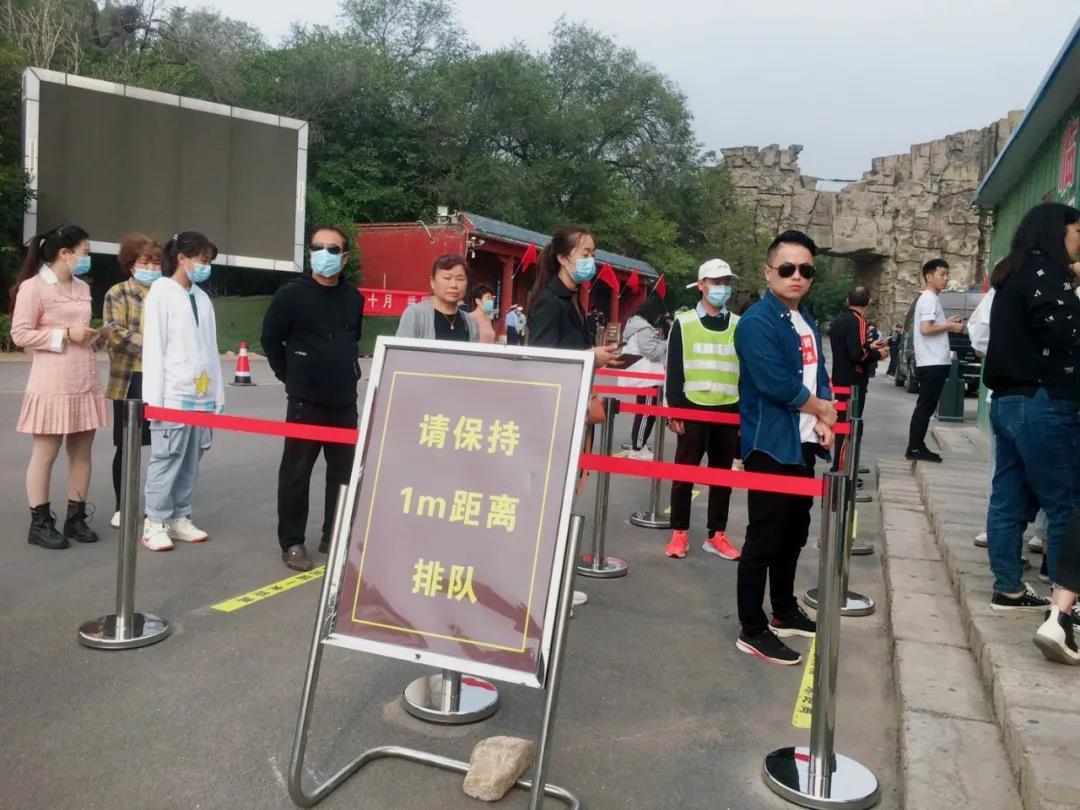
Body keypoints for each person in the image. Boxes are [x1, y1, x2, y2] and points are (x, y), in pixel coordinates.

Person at [734, 230, 837, 665]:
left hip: (802, 443)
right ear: (768, 272)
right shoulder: (757, 322)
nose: (797, 276)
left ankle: (783, 609)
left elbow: (819, 372)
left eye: (806, 270)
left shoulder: (804, 319)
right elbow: (774, 382)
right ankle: (752, 627)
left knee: (794, 530)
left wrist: (823, 418)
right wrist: (822, 408)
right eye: (787, 268)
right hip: (770, 444)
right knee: (764, 535)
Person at [984, 202, 1080, 626]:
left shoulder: (1011, 273)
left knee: (1009, 498)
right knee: (1067, 506)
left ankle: (1008, 587)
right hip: (1045, 401)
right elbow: (1062, 331)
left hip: (1007, 401)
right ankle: (1065, 603)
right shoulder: (1048, 274)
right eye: (1078, 233)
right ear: (1057, 232)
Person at [527, 226, 623, 612]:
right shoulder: (550, 303)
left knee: (562, 499)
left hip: (571, 408)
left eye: (593, 253)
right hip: (553, 414)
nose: (591, 260)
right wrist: (589, 356)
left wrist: (596, 357)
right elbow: (541, 360)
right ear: (563, 258)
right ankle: (543, 590)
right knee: (548, 502)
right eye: (585, 253)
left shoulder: (571, 300)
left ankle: (553, 585)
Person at [262, 226, 365, 572]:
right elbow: (270, 339)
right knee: (296, 474)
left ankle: (334, 536)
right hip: (305, 400)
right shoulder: (291, 295)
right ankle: (292, 542)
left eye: (333, 249)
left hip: (344, 401)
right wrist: (289, 375)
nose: (325, 254)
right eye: (318, 247)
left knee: (343, 474)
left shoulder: (353, 299)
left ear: (344, 258)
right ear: (309, 254)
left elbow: (353, 339)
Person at [10, 225, 108, 550]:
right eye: (85, 252)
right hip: (52, 381)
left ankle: (75, 517)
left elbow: (81, 330)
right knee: (46, 453)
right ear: (65, 254)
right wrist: (65, 334)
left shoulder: (82, 286)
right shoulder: (33, 287)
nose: (88, 258)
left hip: (84, 378)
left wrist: (96, 337)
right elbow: (20, 334)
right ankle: (40, 523)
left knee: (82, 452)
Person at [140, 232, 224, 552]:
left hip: (201, 394)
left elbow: (211, 348)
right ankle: (155, 521)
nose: (206, 266)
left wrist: (218, 396)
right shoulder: (161, 292)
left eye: (209, 261)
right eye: (202, 260)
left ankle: (179, 515)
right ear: (182, 259)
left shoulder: (201, 298)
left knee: (191, 459)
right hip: (172, 395)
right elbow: (154, 348)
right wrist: (155, 400)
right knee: (167, 458)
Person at [663, 259, 742, 561]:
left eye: (726, 282)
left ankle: (716, 534)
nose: (722, 287)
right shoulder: (683, 323)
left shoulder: (738, 325)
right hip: (693, 409)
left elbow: (744, 371)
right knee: (684, 475)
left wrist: (743, 414)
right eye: (716, 282)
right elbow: (673, 370)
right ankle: (679, 532)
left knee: (722, 477)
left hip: (728, 409)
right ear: (701, 285)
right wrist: (674, 410)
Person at [968, 282, 1047, 575]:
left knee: (1005, 474)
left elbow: (978, 338)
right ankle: (1045, 547)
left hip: (1003, 394)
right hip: (1040, 397)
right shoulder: (1053, 286)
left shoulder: (1003, 288)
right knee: (1052, 481)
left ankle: (1007, 570)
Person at [103, 234, 161, 529]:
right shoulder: (118, 292)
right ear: (131, 264)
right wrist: (156, 346)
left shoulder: (167, 292)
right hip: (130, 378)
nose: (151, 268)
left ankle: (157, 508)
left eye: (156, 262)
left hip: (162, 378)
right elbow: (114, 332)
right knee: (126, 446)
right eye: (145, 262)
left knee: (162, 445)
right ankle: (122, 506)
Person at [905, 259, 965, 462]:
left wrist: (945, 323)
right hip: (932, 362)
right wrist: (950, 327)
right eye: (942, 274)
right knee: (925, 406)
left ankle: (917, 444)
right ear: (929, 277)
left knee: (926, 406)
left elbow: (929, 326)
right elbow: (926, 329)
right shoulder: (929, 298)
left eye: (947, 274)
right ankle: (914, 448)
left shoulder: (930, 298)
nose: (946, 278)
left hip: (932, 361)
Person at [829, 285, 887, 467]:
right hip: (854, 381)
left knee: (843, 422)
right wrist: (878, 354)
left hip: (840, 377)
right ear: (868, 302)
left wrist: (870, 347)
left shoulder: (839, 320)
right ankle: (843, 467)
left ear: (848, 301)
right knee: (851, 424)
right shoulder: (858, 321)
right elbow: (857, 355)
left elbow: (849, 348)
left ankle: (843, 464)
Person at [619, 294, 668, 460]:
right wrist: (665, 343)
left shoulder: (634, 323)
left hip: (641, 376)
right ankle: (637, 448)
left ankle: (640, 443)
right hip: (647, 378)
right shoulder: (645, 328)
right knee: (646, 413)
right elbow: (652, 353)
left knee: (644, 412)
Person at [398, 255, 479, 342]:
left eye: (460, 279)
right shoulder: (415, 314)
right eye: (447, 278)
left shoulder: (470, 322)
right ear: (432, 282)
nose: (453, 285)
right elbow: (400, 349)